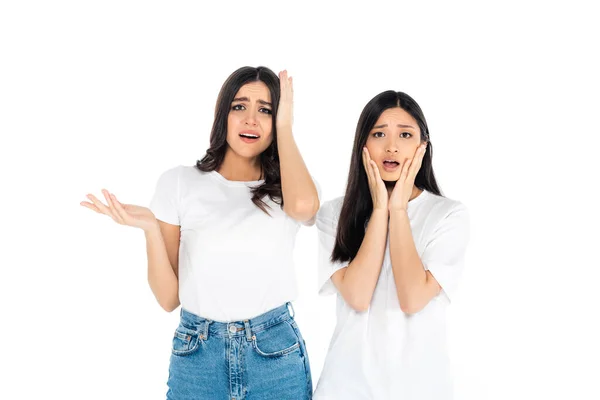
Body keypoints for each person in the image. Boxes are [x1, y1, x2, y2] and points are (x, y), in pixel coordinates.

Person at [80, 66, 319, 399]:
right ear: (223, 114)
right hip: (197, 356)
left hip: (274, 354)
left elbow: (306, 208)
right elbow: (168, 299)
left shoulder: (288, 188)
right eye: (239, 107)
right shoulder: (179, 183)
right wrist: (150, 229)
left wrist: (285, 126)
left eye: (265, 110)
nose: (251, 119)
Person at [314, 91, 470, 400]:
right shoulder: (333, 214)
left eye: (405, 134)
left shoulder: (448, 215)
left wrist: (398, 210)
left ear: (423, 146)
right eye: (379, 133)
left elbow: (412, 299)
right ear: (363, 144)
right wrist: (380, 210)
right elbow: (357, 297)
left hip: (420, 389)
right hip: (344, 388)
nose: (392, 146)